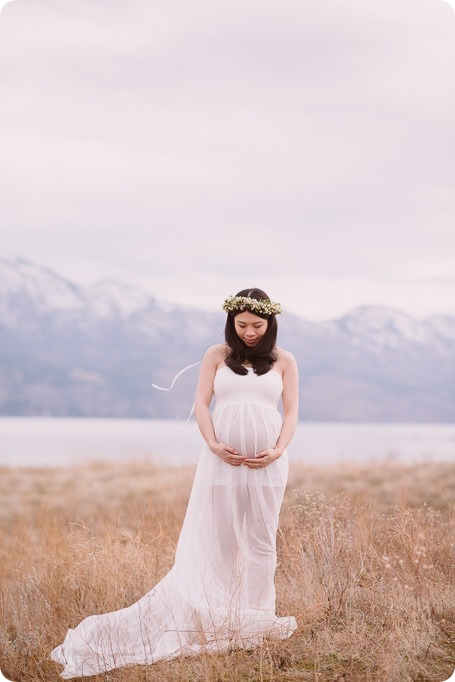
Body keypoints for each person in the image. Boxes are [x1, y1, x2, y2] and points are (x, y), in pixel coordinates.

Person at [51, 287, 299, 679]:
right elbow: (201, 403)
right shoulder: (216, 356)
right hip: (222, 462)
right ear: (231, 323)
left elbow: (291, 412)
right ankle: (220, 612)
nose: (249, 332)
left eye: (257, 325)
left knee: (262, 537)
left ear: (270, 323)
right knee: (222, 537)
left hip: (269, 464)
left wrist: (278, 450)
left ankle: (258, 617)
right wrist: (214, 444)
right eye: (242, 325)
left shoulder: (284, 361)